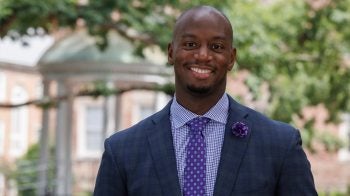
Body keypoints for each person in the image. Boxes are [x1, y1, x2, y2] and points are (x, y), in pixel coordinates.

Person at [94, 5, 317, 196]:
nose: (203, 55)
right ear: (171, 52)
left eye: (216, 47)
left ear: (231, 58)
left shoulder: (280, 144)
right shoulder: (122, 151)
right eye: (190, 44)